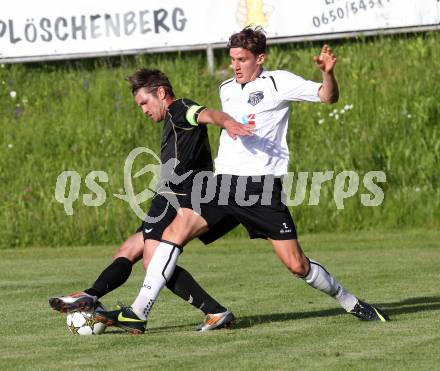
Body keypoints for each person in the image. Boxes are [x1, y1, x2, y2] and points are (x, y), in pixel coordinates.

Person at [97, 27, 389, 333]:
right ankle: (139, 311)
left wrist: (328, 74)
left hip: (261, 189)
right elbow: (217, 117)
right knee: (176, 229)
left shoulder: (278, 82)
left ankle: (350, 301)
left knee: (297, 264)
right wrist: (229, 124)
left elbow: (328, 97)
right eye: (232, 59)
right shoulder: (227, 87)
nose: (235, 65)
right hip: (223, 185)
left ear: (259, 58)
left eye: (242, 59)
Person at [49, 68, 252, 333]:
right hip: (166, 195)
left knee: (152, 259)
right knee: (127, 249)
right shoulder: (170, 118)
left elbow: (206, 114)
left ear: (161, 93)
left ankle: (203, 311)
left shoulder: (180, 108)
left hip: (183, 196)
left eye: (144, 102)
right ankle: (89, 294)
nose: (143, 110)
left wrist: (226, 122)